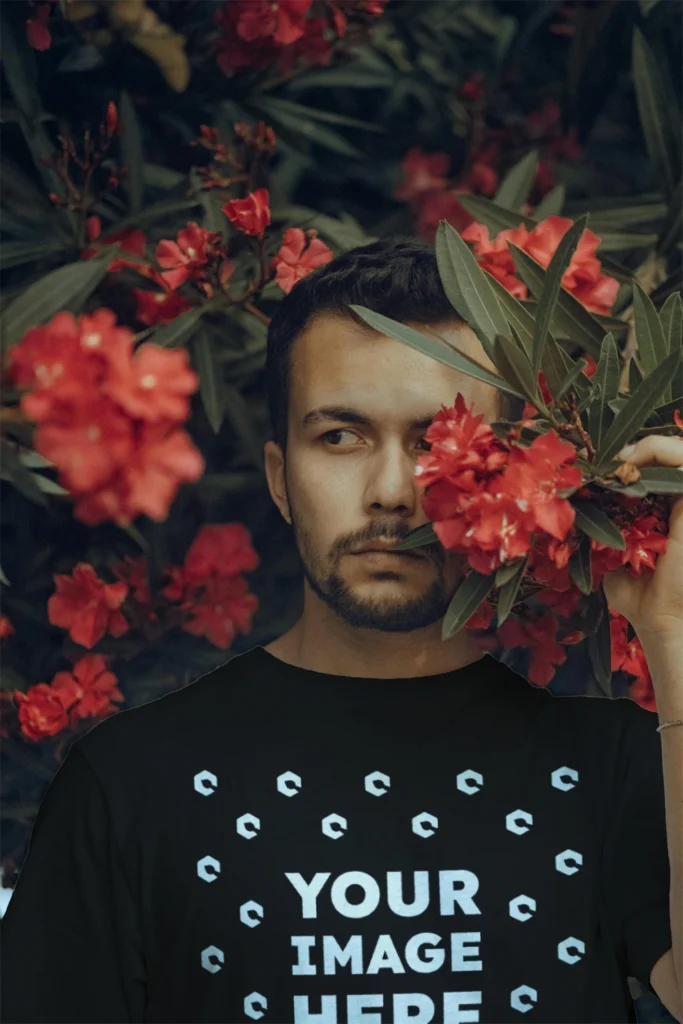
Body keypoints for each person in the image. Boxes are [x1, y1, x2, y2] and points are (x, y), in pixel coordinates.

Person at [0, 237, 677, 1024]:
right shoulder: (128, 785)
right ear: (280, 479)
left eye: (434, 441)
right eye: (339, 437)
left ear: (512, 473)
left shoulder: (612, 767)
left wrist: (673, 629)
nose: (391, 492)